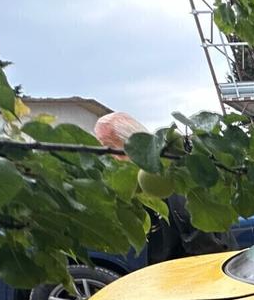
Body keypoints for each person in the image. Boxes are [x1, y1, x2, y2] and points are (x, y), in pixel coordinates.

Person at [94, 112, 236, 263]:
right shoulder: (139, 184)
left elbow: (204, 242)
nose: (108, 157)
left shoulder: (167, 174)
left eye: (110, 148)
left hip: (199, 267)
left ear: (131, 143)